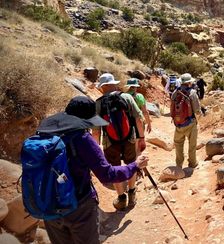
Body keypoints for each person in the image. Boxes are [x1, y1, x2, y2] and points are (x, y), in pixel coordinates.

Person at [39, 96, 149, 244]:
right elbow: (108, 175)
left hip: (47, 203)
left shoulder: (44, 133)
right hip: (78, 206)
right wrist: (135, 165)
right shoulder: (82, 138)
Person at [92, 73, 146, 210]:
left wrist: (95, 150)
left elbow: (96, 131)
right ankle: (132, 193)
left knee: (114, 168)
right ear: (114, 84)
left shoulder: (98, 103)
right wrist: (141, 138)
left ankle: (121, 198)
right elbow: (139, 119)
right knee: (131, 164)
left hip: (109, 142)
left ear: (102, 87)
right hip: (130, 138)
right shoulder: (127, 97)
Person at [171, 73, 202, 168]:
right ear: (189, 82)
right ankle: (192, 163)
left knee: (178, 144)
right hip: (190, 122)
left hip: (178, 123)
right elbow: (197, 109)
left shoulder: (175, 92)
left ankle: (179, 165)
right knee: (192, 144)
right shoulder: (192, 92)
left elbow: (172, 107)